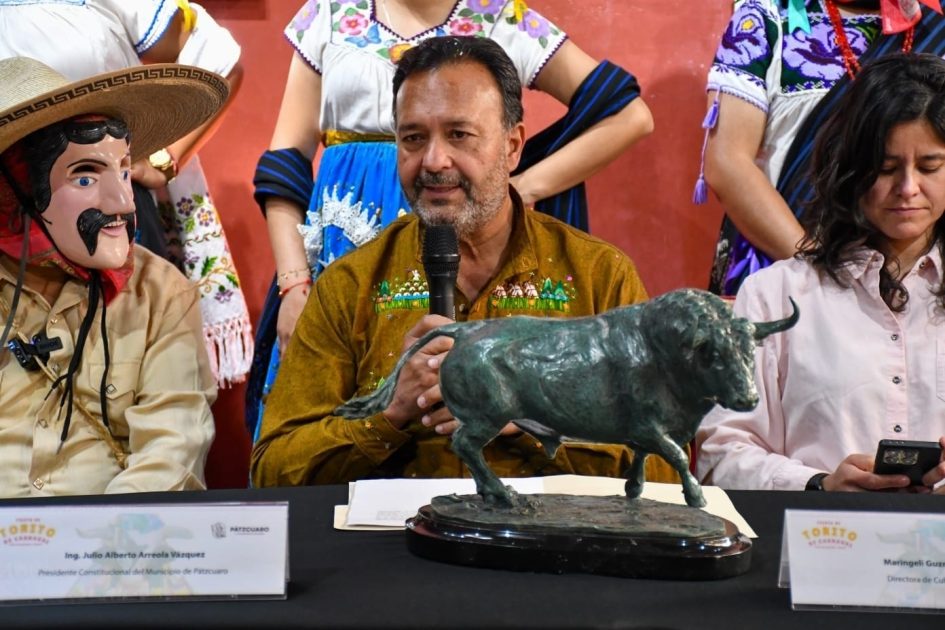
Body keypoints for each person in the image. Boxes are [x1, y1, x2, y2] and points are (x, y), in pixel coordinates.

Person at [250, 36, 678, 487]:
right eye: (413, 138)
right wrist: (390, 413)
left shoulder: (599, 278)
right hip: (395, 551)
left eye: (459, 134)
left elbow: (667, 466)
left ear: (513, 146)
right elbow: (273, 472)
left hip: (550, 553)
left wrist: (532, 415)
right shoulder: (350, 285)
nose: (434, 161)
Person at [696, 53, 945, 493]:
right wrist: (818, 486)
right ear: (850, 169)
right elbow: (721, 454)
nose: (907, 189)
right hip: (821, 548)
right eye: (886, 169)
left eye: (929, 167)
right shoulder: (776, 296)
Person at [0, 56, 226, 496]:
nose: (124, 202)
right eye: (86, 177)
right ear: (17, 190)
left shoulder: (161, 294)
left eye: (124, 170)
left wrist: (98, 550)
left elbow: (171, 453)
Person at [0, 0, 254, 386]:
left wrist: (166, 158)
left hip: (106, 224)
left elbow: (218, 58)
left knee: (128, 367)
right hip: (9, 230)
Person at [695, 0, 945, 296]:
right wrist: (821, 270)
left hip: (922, 279)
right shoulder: (767, 19)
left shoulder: (935, 26)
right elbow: (728, 161)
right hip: (791, 271)